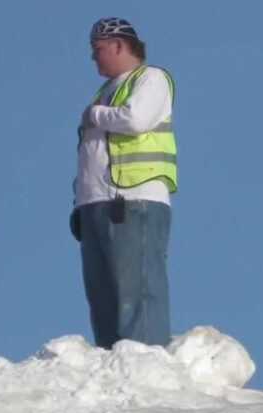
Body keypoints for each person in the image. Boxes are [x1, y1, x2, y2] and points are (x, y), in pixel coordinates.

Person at [72, 17, 177, 349]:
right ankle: (113, 360)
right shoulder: (106, 90)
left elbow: (136, 119)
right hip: (97, 205)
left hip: (133, 200)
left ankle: (144, 360)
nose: (93, 57)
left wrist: (96, 115)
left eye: (97, 49)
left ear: (118, 44)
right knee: (103, 297)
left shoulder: (151, 78)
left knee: (138, 291)